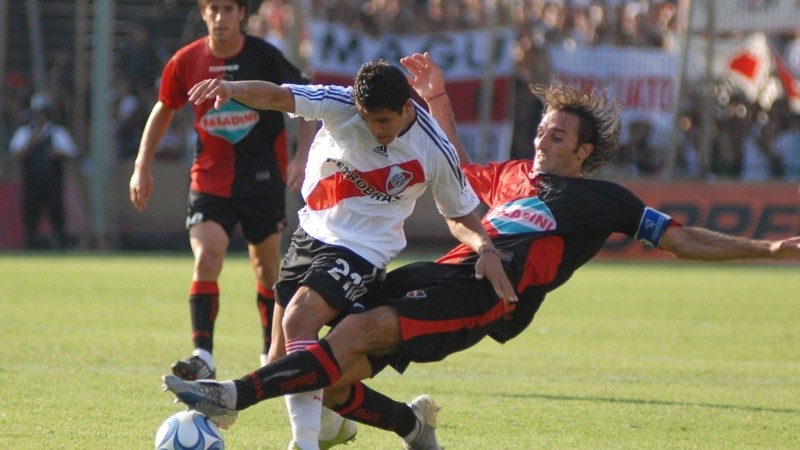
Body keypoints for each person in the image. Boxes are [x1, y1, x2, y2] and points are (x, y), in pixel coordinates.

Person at [161, 52, 800, 449]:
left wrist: (769, 248)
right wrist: (437, 95)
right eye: (542, 128)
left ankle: (233, 396)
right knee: (324, 372)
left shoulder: (602, 199)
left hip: (485, 295)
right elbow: (456, 177)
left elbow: (682, 238)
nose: (543, 138)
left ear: (584, 151)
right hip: (439, 270)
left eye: (558, 135)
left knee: (347, 336)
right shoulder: (515, 176)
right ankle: (412, 427)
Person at [184, 55, 516, 449]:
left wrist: (485, 247)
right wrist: (232, 89)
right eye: (367, 119)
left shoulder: (433, 146)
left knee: (299, 319)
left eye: (384, 121)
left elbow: (459, 215)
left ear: (406, 107)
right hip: (312, 231)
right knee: (285, 365)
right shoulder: (341, 103)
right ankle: (406, 424)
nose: (375, 129)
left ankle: (304, 442)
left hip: (364, 249)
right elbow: (277, 96)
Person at [128, 0, 317, 387]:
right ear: (203, 13)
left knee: (267, 270)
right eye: (213, 8)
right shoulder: (185, 60)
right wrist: (141, 166)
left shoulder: (264, 56)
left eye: (228, 9)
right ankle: (203, 356)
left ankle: (269, 353)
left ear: (242, 14)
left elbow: (307, 98)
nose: (220, 17)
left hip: (262, 179)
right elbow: (165, 108)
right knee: (207, 255)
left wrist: (302, 156)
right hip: (209, 179)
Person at [9, 92, 79, 250]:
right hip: (32, 181)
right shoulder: (25, 132)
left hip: (52, 181)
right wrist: (31, 144)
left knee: (57, 214)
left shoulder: (57, 132)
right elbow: (15, 153)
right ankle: (30, 246)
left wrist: (57, 154)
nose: (40, 117)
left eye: (43, 114)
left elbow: (71, 153)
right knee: (31, 214)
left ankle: (60, 246)